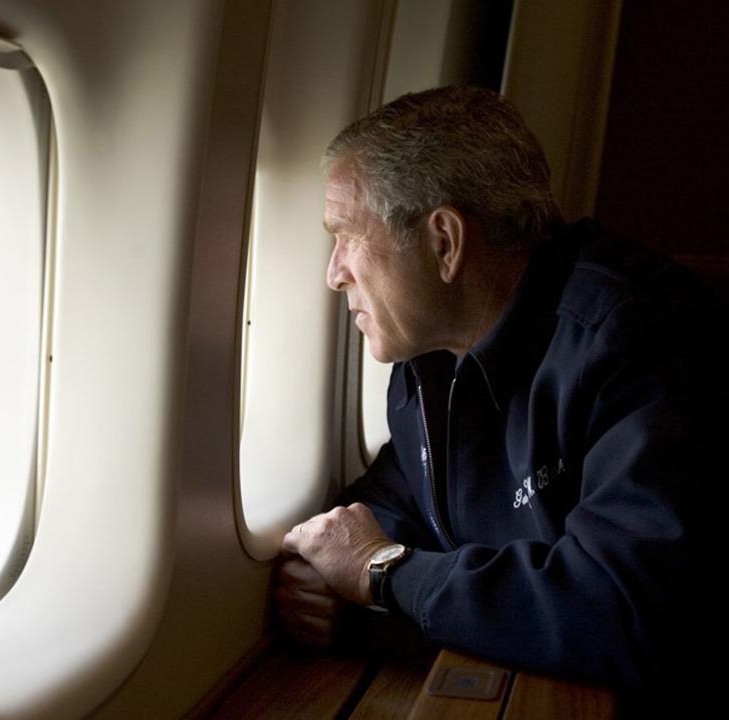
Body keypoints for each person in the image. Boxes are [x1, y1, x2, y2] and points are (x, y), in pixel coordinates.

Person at [276, 86, 723, 709]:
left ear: (444, 242)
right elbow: (397, 501)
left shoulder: (639, 340)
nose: (334, 272)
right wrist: (339, 577)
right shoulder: (430, 362)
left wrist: (382, 574)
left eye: (347, 235)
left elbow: (624, 607)